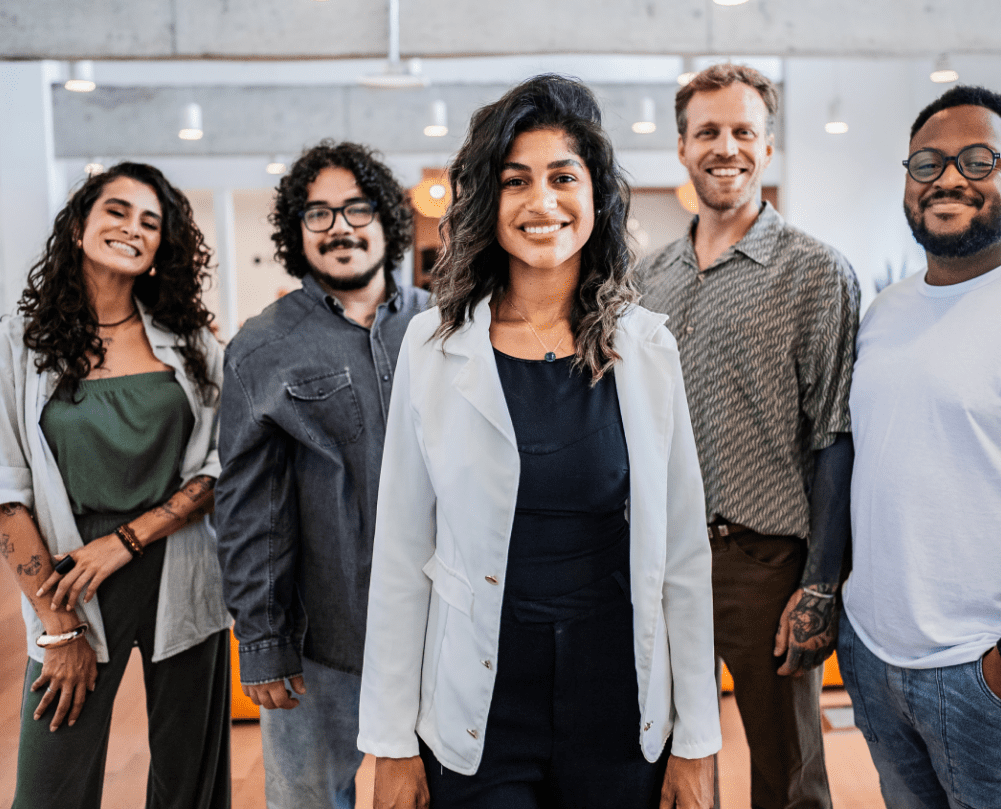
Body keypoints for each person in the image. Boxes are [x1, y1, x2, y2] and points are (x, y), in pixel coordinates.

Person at [359, 74, 721, 809]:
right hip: (477, 701)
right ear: (486, 203)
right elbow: (400, 552)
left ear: (596, 198)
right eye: (514, 180)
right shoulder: (434, 346)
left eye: (563, 177)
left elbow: (682, 554)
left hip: (617, 696)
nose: (541, 202)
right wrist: (391, 744)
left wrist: (697, 740)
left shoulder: (647, 349)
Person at [839, 85, 1001, 807]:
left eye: (978, 159)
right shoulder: (886, 311)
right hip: (879, 660)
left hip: (996, 675)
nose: (948, 177)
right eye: (927, 162)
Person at [639, 63, 859, 809]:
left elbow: (835, 432)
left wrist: (820, 586)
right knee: (665, 762)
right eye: (708, 132)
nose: (724, 147)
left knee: (788, 777)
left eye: (742, 131)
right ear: (681, 147)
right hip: (662, 558)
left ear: (769, 148)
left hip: (765, 564)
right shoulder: (649, 278)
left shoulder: (815, 272)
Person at [0, 162, 231, 809]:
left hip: (182, 569)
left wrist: (129, 539)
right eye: (117, 212)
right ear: (79, 226)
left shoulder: (191, 346)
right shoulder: (16, 346)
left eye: (150, 223)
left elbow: (223, 462)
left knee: (190, 784)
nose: (132, 228)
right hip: (69, 581)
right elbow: (6, 493)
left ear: (163, 247)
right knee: (50, 787)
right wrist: (57, 629)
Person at [214, 140, 429, 809]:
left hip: (439, 636)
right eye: (318, 213)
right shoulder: (262, 346)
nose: (339, 226)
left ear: (388, 220)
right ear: (295, 232)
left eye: (357, 208)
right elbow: (248, 510)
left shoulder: (447, 326)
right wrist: (263, 640)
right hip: (321, 642)